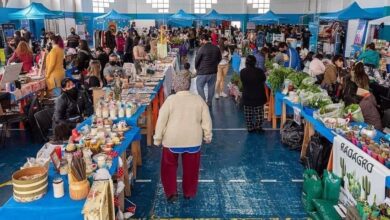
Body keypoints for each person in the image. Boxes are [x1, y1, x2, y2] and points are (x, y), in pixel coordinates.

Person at [154, 73, 212, 202]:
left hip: (172, 141)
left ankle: (171, 193)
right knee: (191, 168)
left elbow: (161, 121)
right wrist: (207, 135)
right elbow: (206, 120)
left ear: (175, 85)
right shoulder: (198, 100)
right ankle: (189, 193)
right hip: (193, 140)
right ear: (189, 85)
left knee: (168, 167)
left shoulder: (170, 100)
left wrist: (157, 139)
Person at [240, 55, 267, 133]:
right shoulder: (259, 71)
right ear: (255, 62)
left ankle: (250, 128)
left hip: (247, 95)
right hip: (258, 95)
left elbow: (242, 80)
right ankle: (258, 127)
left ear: (246, 63)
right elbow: (263, 79)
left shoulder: (242, 72)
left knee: (248, 114)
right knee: (259, 113)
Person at [195, 34, 222, 106]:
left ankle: (203, 101)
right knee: (211, 87)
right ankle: (209, 102)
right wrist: (215, 65)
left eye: (200, 40)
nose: (200, 41)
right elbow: (220, 58)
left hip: (202, 72)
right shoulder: (216, 48)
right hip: (213, 72)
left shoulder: (201, 49)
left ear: (203, 40)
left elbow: (197, 60)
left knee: (199, 86)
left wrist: (197, 68)